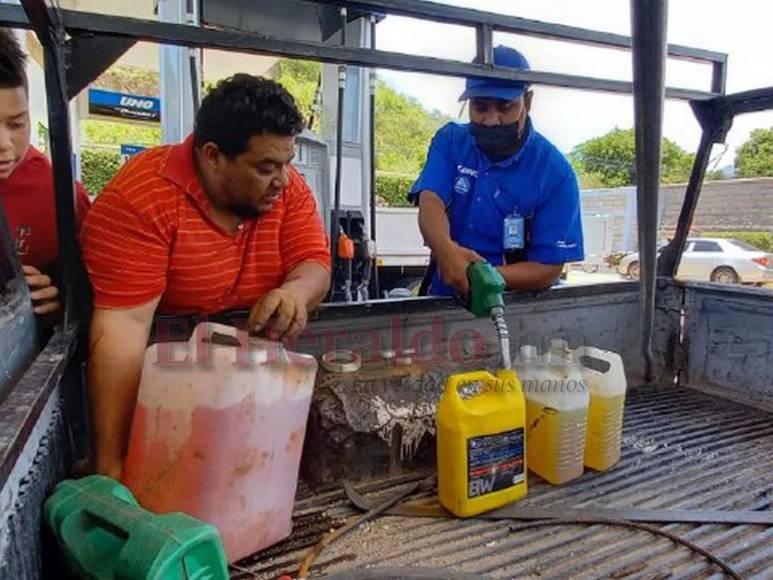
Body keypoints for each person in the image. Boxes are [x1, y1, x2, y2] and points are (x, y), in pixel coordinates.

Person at [81, 74, 331, 479]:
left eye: (287, 163)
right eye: (266, 167)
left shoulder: (289, 188)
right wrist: (110, 463)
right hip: (165, 390)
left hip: (254, 391)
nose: (283, 181)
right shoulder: (141, 198)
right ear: (213, 155)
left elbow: (314, 261)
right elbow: (122, 330)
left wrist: (296, 293)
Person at [410, 45, 584, 296]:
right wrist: (447, 252)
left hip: (512, 307)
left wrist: (480, 275)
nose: (491, 120)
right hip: (444, 299)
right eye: (480, 107)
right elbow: (430, 200)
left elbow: (549, 267)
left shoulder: (556, 174)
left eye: (504, 107)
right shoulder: (450, 141)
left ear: (528, 101)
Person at [0, 28, 91, 318]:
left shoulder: (63, 196)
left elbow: (90, 292)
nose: (4, 145)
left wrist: (59, 300)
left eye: (16, 124)